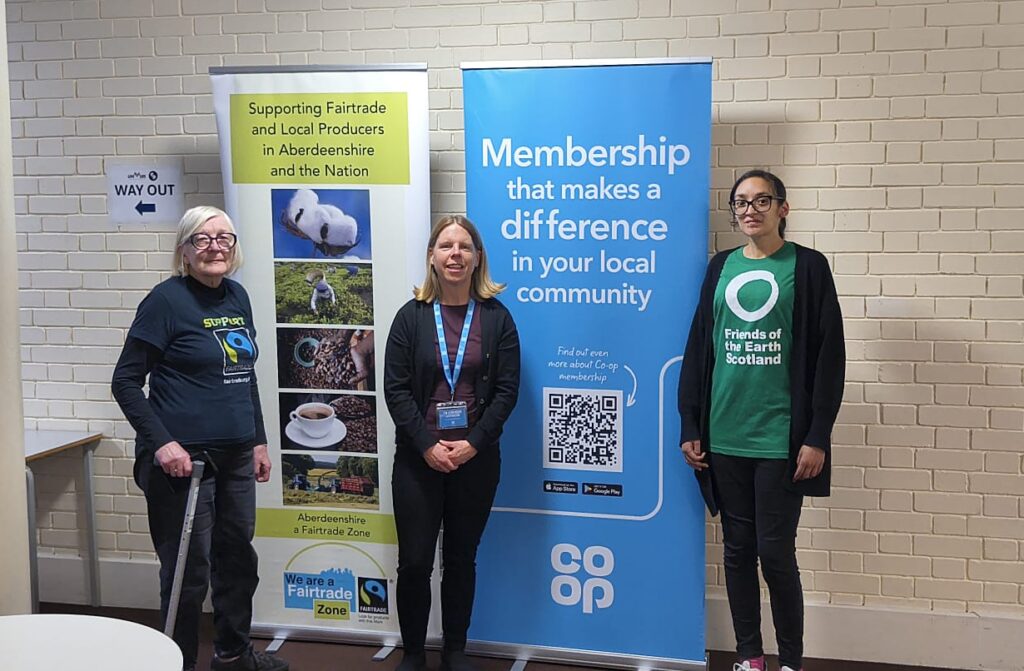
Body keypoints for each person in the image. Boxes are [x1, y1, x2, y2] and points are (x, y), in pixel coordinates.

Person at [678, 170, 845, 671]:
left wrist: (817, 435)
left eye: (761, 200)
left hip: (780, 440)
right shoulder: (721, 266)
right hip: (725, 436)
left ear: (783, 209)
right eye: (741, 202)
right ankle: (750, 657)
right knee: (736, 551)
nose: (750, 210)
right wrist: (691, 424)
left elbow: (829, 358)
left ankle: (790, 660)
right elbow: (699, 346)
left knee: (775, 554)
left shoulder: (808, 267)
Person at [111, 206, 288, 671]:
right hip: (184, 465)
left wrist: (258, 440)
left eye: (224, 238)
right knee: (188, 575)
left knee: (238, 563)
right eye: (202, 239)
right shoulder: (165, 302)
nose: (215, 247)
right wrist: (162, 443)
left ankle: (233, 654)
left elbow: (245, 374)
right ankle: (179, 663)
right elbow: (125, 382)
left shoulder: (237, 296)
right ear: (184, 250)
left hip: (236, 458)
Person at [384, 215, 521, 671]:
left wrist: (473, 444)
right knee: (414, 562)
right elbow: (395, 390)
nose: (455, 254)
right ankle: (414, 653)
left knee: (461, 559)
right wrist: (427, 445)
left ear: (478, 258)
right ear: (432, 256)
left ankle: (455, 650)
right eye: (446, 246)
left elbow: (507, 392)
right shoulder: (411, 317)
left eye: (464, 247)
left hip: (475, 461)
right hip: (417, 459)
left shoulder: (498, 319)